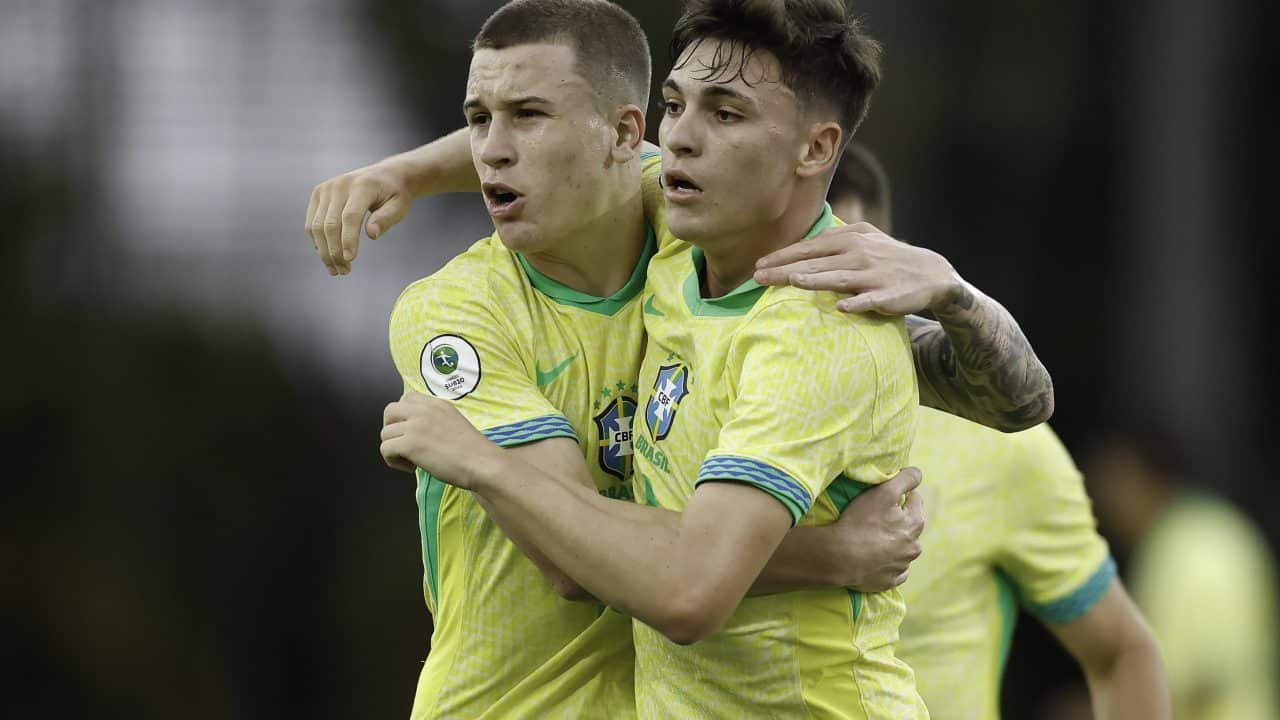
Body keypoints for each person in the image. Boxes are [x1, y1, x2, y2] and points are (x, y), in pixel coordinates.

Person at [381, 1, 933, 716]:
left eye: (725, 114)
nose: (681, 138)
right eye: (673, 107)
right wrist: (829, 554)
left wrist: (956, 294)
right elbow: (574, 565)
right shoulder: (466, 309)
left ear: (620, 136)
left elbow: (683, 586)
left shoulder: (804, 323)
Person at [774, 142, 1170, 720]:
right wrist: (831, 554)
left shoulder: (995, 445)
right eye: (799, 268)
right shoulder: (688, 401)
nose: (824, 295)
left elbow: (1122, 652)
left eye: (850, 268)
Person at [1086, 429, 1278, 720]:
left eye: (1112, 486)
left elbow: (1195, 676)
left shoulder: (1181, 547)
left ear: (1140, 477)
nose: (1104, 506)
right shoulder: (1223, 525)